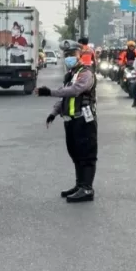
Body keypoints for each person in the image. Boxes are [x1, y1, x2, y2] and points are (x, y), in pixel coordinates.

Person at [38, 46, 98, 203]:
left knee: (86, 155)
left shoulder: (86, 73)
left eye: (72, 54)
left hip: (84, 120)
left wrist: (49, 92)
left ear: (79, 56)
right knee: (75, 154)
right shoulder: (70, 75)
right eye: (67, 55)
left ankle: (87, 189)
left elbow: (75, 90)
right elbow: (64, 96)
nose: (69, 57)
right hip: (71, 121)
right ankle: (80, 185)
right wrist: (53, 113)